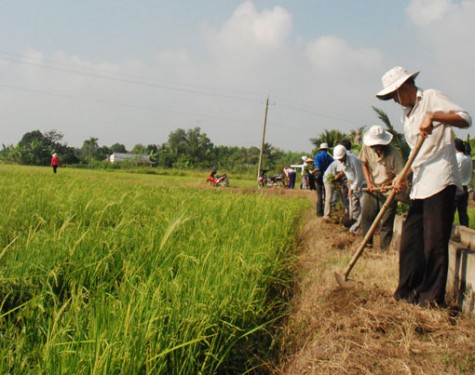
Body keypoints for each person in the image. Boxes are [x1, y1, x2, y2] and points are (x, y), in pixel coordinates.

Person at [376, 66, 471, 307]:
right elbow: (417, 154)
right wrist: (403, 176)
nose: (395, 101)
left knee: (434, 243)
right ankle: (407, 293)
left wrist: (435, 116)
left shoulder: (430, 97)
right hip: (420, 184)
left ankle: (430, 300)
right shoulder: (406, 115)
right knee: (410, 241)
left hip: (441, 180)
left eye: (395, 95)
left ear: (406, 86)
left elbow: (465, 118)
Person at [360, 125, 404, 251]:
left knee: (386, 222)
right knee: (367, 218)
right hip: (372, 189)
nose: (376, 149)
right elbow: (364, 163)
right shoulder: (366, 148)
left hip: (389, 190)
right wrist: (369, 182)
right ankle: (367, 247)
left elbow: (399, 175)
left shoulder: (394, 153)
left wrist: (389, 184)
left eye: (378, 146)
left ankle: (383, 250)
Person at [333, 144, 366, 234]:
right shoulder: (341, 162)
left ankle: (355, 229)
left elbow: (358, 176)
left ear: (345, 155)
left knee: (363, 209)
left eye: (341, 158)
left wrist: (352, 188)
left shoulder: (353, 160)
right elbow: (348, 174)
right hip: (353, 186)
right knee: (354, 208)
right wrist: (349, 184)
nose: (340, 160)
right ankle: (353, 226)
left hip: (362, 186)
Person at [454, 138, 472, 227]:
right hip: (465, 188)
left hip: (456, 188)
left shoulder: (456, 158)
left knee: (449, 212)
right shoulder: (468, 158)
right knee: (463, 214)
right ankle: (466, 230)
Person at [313, 143, 333, 216]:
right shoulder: (330, 157)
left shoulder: (317, 156)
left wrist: (312, 171)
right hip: (327, 176)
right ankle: (326, 212)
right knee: (327, 195)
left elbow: (318, 167)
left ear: (320, 149)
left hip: (319, 176)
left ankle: (319, 213)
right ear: (327, 149)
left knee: (319, 195)